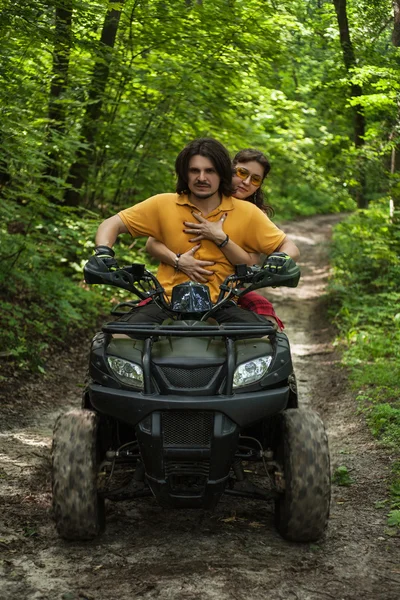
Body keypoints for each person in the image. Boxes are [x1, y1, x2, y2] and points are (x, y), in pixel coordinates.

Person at [93, 138, 299, 325]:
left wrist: (280, 259)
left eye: (210, 171)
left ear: (221, 173)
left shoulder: (249, 213)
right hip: (166, 301)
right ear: (185, 173)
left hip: (223, 302)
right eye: (194, 171)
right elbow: (112, 224)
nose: (202, 178)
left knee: (266, 340)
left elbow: (285, 247)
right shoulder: (162, 204)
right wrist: (103, 252)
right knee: (115, 340)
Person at [145, 148, 285, 328]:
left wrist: (221, 239)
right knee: (138, 316)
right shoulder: (197, 197)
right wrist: (179, 261)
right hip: (177, 285)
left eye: (256, 179)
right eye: (241, 173)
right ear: (228, 170)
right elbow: (152, 243)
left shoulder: (255, 214)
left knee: (266, 316)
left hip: (228, 288)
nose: (246, 182)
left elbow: (252, 263)